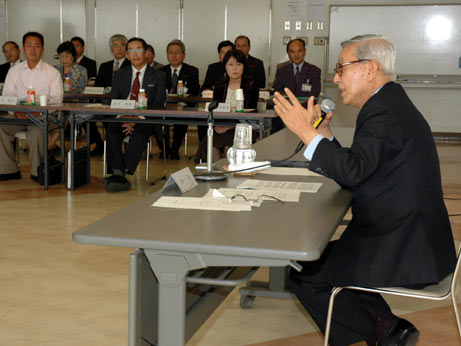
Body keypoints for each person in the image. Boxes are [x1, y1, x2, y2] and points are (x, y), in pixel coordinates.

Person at [273, 34, 457, 346]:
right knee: (324, 261)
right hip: (407, 233)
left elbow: (353, 172)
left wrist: (306, 132)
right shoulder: (389, 102)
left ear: (370, 69)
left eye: (342, 68)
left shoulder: (382, 110)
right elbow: (359, 169)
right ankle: (387, 327)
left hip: (404, 245)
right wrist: (325, 136)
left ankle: (386, 334)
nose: (336, 77)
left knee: (306, 276)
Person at [103, 37, 166, 193]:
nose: (135, 54)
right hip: (122, 117)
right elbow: (114, 100)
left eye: (138, 50)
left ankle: (124, 172)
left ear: (145, 53)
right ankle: (118, 173)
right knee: (111, 132)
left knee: (139, 135)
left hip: (146, 119)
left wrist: (136, 118)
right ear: (127, 54)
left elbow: (158, 105)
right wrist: (125, 117)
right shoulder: (120, 74)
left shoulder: (158, 75)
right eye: (130, 50)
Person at [0, 32, 63, 182]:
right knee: (1, 127)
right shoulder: (14, 71)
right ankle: (8, 170)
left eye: (37, 46)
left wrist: (37, 112)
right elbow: (8, 97)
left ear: (42, 49)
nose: (32, 50)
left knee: (37, 130)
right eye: (29, 46)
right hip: (19, 116)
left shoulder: (52, 72)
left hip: (42, 117)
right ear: (23, 48)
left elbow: (57, 100)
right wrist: (15, 112)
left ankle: (37, 172)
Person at [195, 49, 258, 163]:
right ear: (225, 66)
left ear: (244, 66)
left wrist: (231, 126)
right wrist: (217, 125)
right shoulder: (220, 85)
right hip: (221, 126)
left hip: (243, 128)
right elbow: (216, 109)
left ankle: (230, 174)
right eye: (230, 64)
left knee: (228, 145)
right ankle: (215, 174)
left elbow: (251, 111)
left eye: (238, 64)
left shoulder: (251, 85)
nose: (234, 69)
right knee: (212, 142)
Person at [160, 39, 200, 160]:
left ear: (184, 54)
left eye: (177, 52)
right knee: (156, 120)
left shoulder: (192, 71)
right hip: (164, 106)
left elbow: (194, 91)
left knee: (182, 118)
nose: (174, 55)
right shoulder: (160, 72)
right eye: (171, 52)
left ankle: (175, 148)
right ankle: (165, 148)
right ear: (167, 54)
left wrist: (181, 103)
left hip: (183, 106)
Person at [272, 38, 321, 133]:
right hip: (285, 112)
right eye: (292, 52)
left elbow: (314, 94)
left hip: (306, 113)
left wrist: (299, 109)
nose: (296, 55)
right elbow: (277, 91)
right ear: (288, 53)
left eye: (299, 51)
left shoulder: (314, 71)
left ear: (305, 51)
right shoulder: (282, 71)